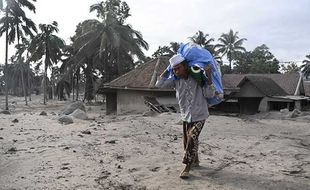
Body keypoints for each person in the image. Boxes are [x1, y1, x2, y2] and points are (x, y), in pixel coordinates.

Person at [155, 53, 215, 179]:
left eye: (178, 68)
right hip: (185, 116)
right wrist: (167, 70)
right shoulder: (175, 81)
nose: (176, 71)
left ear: (186, 67)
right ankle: (196, 160)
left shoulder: (198, 78)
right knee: (188, 140)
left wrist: (209, 76)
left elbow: (209, 94)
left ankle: (187, 166)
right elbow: (158, 85)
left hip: (200, 114)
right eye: (174, 69)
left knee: (192, 136)